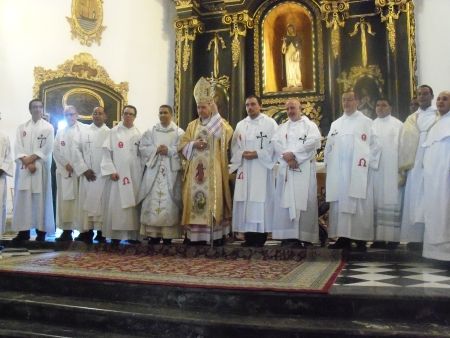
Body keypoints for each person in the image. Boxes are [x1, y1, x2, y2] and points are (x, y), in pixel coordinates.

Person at [178, 77, 233, 245]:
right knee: (193, 198)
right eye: (198, 107)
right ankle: (194, 236)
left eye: (203, 107)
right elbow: (182, 145)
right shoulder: (192, 126)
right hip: (195, 170)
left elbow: (227, 135)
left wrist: (217, 117)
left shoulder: (221, 123)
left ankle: (215, 235)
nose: (200, 110)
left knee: (213, 198)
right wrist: (194, 144)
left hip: (212, 170)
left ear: (211, 106)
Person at [325, 91, 381, 251]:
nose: (346, 103)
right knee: (340, 203)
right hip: (340, 172)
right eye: (344, 100)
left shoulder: (366, 122)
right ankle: (343, 237)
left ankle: (360, 238)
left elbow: (376, 145)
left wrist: (366, 163)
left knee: (359, 203)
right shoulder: (336, 124)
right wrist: (330, 163)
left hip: (358, 171)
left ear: (357, 101)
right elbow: (329, 146)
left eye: (350, 99)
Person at [271, 98, 322, 247]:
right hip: (287, 169)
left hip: (303, 168)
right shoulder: (282, 128)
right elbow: (276, 144)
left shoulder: (310, 126)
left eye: (293, 108)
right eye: (287, 109)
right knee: (285, 202)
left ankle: (305, 236)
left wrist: (294, 155)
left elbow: (313, 143)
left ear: (300, 108)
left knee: (304, 202)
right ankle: (288, 236)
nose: (290, 112)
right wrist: (287, 158)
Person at [231, 95, 278, 247]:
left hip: (261, 167)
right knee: (245, 200)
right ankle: (248, 236)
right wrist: (241, 154)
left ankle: (260, 236)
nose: (249, 107)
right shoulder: (241, 125)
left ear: (260, 105)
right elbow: (234, 146)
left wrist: (258, 153)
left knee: (260, 200)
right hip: (245, 166)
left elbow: (274, 145)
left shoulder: (270, 124)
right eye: (247, 105)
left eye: (252, 104)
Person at [399, 85, 438, 251]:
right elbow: (403, 142)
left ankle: (432, 236)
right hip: (414, 164)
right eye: (419, 94)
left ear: (432, 96)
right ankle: (414, 238)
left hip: (433, 163)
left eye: (425, 94)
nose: (422, 97)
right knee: (413, 199)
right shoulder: (411, 118)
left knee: (431, 198)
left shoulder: (440, 116)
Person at [138, 105, 184, 245]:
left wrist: (169, 151)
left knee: (169, 201)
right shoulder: (151, 131)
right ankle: (153, 234)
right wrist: (156, 150)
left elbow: (183, 149)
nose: (163, 115)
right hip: (154, 170)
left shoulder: (179, 132)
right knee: (152, 200)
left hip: (171, 172)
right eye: (160, 113)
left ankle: (168, 235)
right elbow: (143, 148)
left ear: (172, 115)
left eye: (165, 113)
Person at [12, 99, 55, 242]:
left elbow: (47, 148)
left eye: (39, 107)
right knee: (23, 200)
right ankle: (23, 232)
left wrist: (32, 159)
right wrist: (26, 161)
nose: (37, 109)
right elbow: (18, 147)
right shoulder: (22, 127)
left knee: (40, 200)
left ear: (42, 109)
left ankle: (41, 231)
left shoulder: (48, 128)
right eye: (34, 107)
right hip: (25, 169)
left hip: (39, 168)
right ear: (30, 110)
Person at [101, 105, 143, 244]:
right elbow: (106, 153)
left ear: (135, 117)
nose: (128, 116)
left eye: (131, 114)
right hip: (118, 175)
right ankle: (115, 236)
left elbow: (143, 155)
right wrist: (111, 170)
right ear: (122, 115)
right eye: (125, 113)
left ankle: (132, 236)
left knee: (133, 204)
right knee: (117, 204)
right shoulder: (114, 132)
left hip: (134, 175)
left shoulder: (139, 134)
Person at [72, 106, 110, 243]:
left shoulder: (110, 133)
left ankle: (101, 232)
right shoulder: (83, 131)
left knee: (102, 205)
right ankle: (85, 232)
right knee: (85, 202)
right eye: (94, 113)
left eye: (100, 113)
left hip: (103, 176)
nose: (97, 116)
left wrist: (107, 171)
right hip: (87, 175)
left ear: (105, 116)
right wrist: (84, 169)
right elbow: (75, 150)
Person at [370, 98, 403, 249]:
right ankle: (378, 239)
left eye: (384, 105)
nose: (380, 108)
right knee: (376, 200)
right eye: (378, 105)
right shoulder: (371, 125)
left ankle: (393, 238)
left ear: (390, 107)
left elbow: (403, 148)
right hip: (375, 170)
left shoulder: (398, 125)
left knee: (391, 200)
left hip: (392, 169)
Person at [421, 90, 450, 261]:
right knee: (434, 213)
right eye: (439, 99)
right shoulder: (436, 125)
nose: (440, 101)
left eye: (445, 99)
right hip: (433, 180)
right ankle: (435, 254)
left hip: (446, 177)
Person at [53, 106, 86, 241]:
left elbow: (86, 150)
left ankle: (83, 231)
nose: (69, 117)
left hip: (80, 174)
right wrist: (66, 164)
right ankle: (66, 231)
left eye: (71, 114)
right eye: (66, 115)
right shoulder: (60, 131)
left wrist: (79, 167)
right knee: (65, 203)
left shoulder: (84, 130)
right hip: (65, 172)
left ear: (77, 115)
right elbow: (56, 151)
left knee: (81, 202)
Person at [0, 116, 13, 237]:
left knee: (0, 206)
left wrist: (2, 168)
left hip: (0, 177)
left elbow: (9, 156)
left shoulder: (4, 136)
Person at [281, 24, 302, 89]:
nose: (290, 30)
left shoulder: (297, 37)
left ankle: (298, 82)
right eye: (289, 29)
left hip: (295, 54)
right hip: (288, 54)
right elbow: (283, 49)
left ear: (293, 29)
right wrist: (284, 44)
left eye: (291, 28)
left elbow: (299, 46)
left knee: (296, 67)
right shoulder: (285, 37)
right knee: (289, 68)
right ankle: (290, 83)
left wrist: (298, 51)